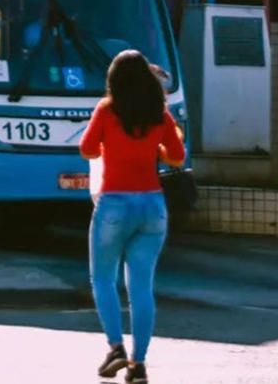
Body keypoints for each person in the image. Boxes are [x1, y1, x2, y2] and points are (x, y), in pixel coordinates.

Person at [80, 50, 185, 384]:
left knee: (103, 279)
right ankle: (138, 365)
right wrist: (157, 148)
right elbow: (178, 158)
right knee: (141, 287)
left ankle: (115, 348)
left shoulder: (107, 110)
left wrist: (108, 149)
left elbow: (87, 149)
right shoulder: (160, 113)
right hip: (153, 207)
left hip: (114, 205)